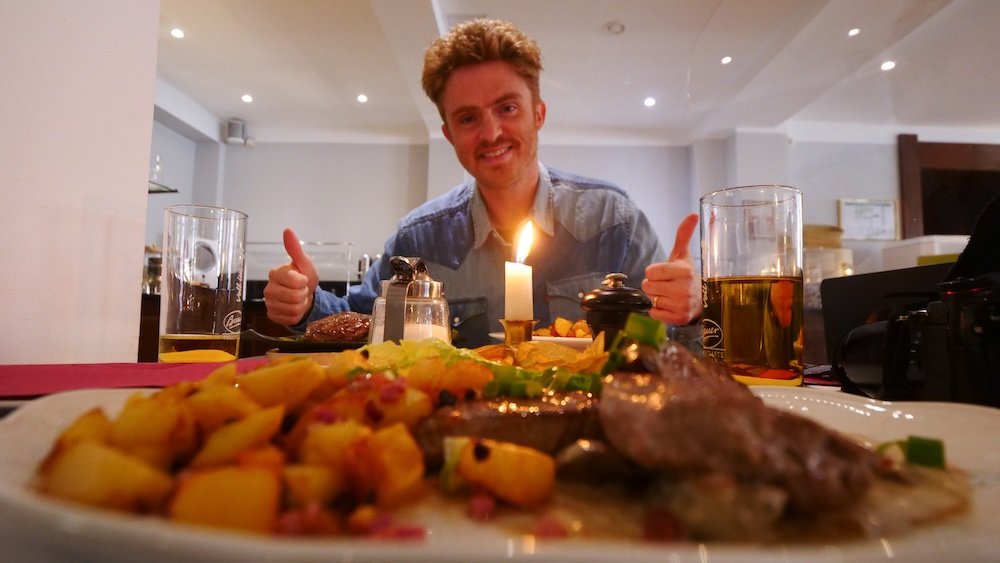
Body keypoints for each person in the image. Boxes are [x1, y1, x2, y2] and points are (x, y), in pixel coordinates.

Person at [264, 19, 700, 346]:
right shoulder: (420, 241)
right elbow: (358, 320)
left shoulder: (612, 221)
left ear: (539, 114)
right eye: (469, 118)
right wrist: (305, 303)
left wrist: (694, 309)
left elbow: (667, 343)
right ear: (450, 134)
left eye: (507, 108)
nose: (491, 133)